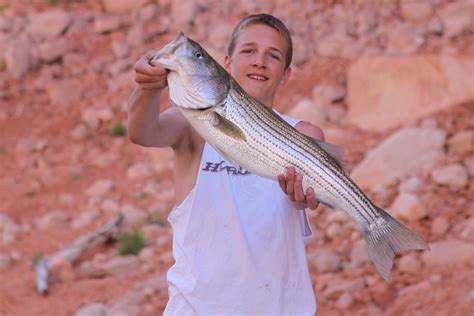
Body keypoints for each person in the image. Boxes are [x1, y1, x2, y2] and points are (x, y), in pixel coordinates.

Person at [128, 13, 324, 315]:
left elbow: (308, 199)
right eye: (248, 51)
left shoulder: (303, 134)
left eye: (273, 56)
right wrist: (147, 88)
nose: (259, 61)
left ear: (285, 74)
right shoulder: (191, 124)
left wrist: (302, 199)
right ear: (227, 63)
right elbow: (143, 132)